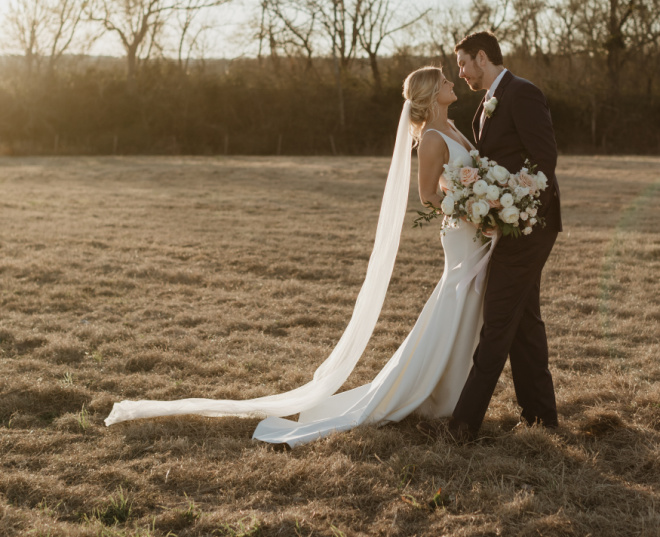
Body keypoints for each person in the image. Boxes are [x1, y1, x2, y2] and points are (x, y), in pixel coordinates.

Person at [105, 66, 494, 447]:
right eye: (442, 79)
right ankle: (433, 392)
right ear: (429, 94)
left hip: (476, 227)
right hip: (462, 233)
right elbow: (429, 196)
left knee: (467, 304)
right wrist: (475, 215)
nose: (450, 81)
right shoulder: (429, 139)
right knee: (458, 299)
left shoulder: (453, 127)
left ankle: (450, 389)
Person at [444, 30, 562, 442]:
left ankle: (462, 426)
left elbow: (544, 159)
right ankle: (541, 417)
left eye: (462, 64)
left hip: (531, 225)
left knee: (497, 322)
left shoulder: (522, 93)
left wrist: (516, 208)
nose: (460, 74)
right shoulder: (486, 103)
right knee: (523, 322)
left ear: (481, 57)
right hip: (510, 226)